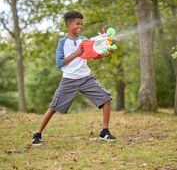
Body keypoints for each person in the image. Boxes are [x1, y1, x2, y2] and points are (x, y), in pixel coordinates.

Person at [32, 11, 116, 145]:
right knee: (54, 107)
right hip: (69, 80)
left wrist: (106, 53)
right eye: (78, 23)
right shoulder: (62, 42)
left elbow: (93, 55)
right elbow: (59, 63)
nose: (80, 26)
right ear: (69, 24)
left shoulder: (84, 39)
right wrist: (77, 53)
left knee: (106, 98)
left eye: (82, 24)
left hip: (86, 78)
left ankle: (104, 131)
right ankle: (37, 134)